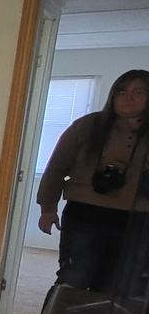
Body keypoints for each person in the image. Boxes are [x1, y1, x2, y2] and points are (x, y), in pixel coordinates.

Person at [36, 69, 149, 291]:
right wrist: (48, 208)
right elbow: (56, 169)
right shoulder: (87, 126)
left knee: (118, 287)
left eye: (138, 92)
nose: (128, 98)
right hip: (84, 217)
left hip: (138, 223)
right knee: (73, 279)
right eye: (122, 91)